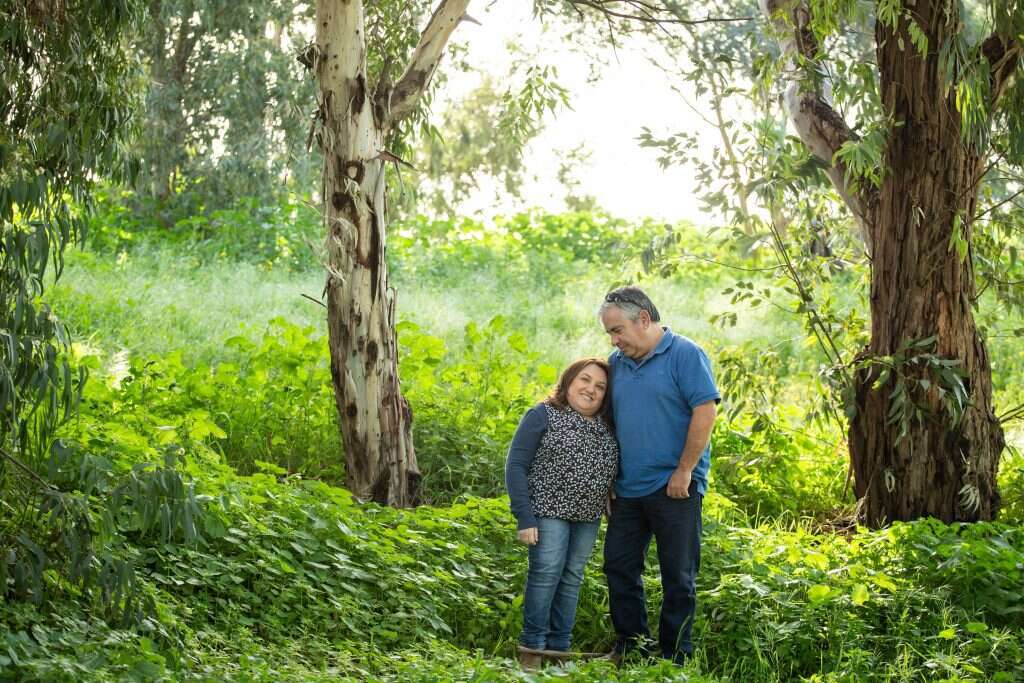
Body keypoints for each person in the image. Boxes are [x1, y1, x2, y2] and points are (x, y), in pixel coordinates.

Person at [598, 285, 720, 665]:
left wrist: (685, 470)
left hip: (675, 487)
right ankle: (632, 647)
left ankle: (674, 658)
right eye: (610, 334)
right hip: (627, 489)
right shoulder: (617, 363)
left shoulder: (685, 354)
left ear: (644, 319)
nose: (614, 341)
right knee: (619, 566)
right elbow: (609, 422)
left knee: (677, 575)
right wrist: (608, 478)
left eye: (617, 330)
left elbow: (705, 411)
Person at [504, 357, 620, 669]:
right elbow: (515, 466)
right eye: (585, 380)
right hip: (547, 511)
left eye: (600, 387)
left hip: (587, 517)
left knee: (571, 580)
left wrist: (609, 487)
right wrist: (524, 516)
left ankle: (559, 652)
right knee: (546, 575)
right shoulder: (543, 414)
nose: (591, 389)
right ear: (569, 381)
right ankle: (532, 650)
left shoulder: (607, 426)